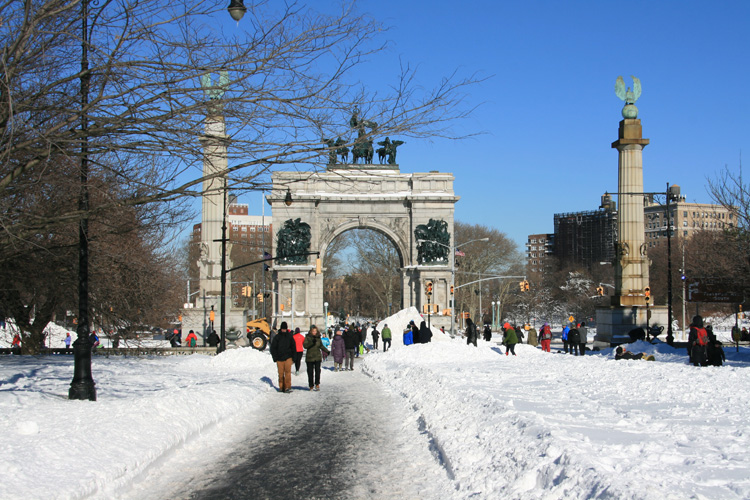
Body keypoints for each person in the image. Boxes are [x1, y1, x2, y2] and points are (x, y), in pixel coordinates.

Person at [270, 322, 295, 392]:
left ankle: (287, 386)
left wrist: (294, 357)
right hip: (279, 358)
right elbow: (273, 348)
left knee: (287, 373)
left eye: (285, 329)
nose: (284, 330)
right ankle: (281, 387)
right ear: (281, 329)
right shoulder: (277, 337)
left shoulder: (290, 336)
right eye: (283, 329)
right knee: (280, 374)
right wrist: (275, 357)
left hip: (288, 357)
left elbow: (293, 347)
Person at [303, 325, 325, 391]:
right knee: (310, 372)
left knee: (318, 371)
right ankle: (311, 385)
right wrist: (312, 343)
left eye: (315, 331)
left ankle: (317, 384)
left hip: (317, 357)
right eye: (313, 331)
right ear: (311, 331)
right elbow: (305, 346)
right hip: (310, 357)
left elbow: (321, 346)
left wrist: (326, 351)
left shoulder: (318, 338)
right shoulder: (307, 337)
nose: (314, 332)